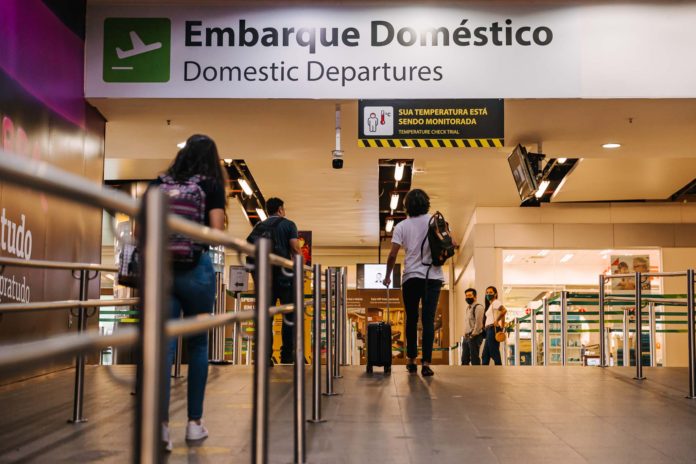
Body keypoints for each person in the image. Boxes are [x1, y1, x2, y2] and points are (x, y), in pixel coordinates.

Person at [159, 134, 227, 451]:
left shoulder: (159, 182)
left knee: (164, 345)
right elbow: (215, 233)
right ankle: (194, 423)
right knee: (198, 344)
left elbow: (139, 231)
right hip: (196, 268)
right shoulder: (211, 184)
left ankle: (159, 426)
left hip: (162, 271)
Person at [383, 189, 445, 377]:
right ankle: (426, 363)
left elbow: (393, 254)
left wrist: (387, 276)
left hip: (411, 278)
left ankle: (411, 360)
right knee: (428, 320)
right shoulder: (435, 222)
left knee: (411, 319)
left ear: (407, 206)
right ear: (426, 203)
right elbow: (450, 243)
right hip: (433, 277)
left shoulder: (402, 226)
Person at [247, 197, 300, 365]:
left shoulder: (258, 227)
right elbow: (295, 249)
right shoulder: (289, 224)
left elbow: (249, 248)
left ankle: (265, 356)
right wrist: (302, 270)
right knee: (289, 317)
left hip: (265, 280)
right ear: (280, 209)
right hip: (285, 278)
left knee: (265, 319)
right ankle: (287, 355)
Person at [481, 286, 507, 366]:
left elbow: (504, 310)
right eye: (487, 292)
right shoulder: (491, 304)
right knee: (485, 355)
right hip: (489, 330)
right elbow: (502, 314)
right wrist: (502, 325)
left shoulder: (496, 302)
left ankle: (499, 370)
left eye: (490, 292)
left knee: (494, 352)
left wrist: (497, 320)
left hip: (492, 329)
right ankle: (485, 373)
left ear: (495, 294)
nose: (488, 294)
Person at [461, 288, 485, 365]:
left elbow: (479, 324)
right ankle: (465, 376)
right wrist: (465, 333)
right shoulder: (468, 308)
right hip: (467, 336)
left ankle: (477, 375)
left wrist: (472, 335)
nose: (468, 297)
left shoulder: (478, 307)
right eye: (466, 296)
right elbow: (468, 322)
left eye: (470, 295)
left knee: (474, 359)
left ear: (475, 297)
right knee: (464, 359)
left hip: (475, 336)